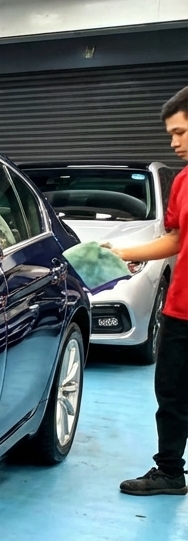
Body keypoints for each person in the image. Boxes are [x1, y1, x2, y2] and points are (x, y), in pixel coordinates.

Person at [110, 86, 188, 496]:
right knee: (171, 395)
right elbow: (176, 239)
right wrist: (124, 251)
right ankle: (170, 473)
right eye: (170, 134)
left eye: (180, 132)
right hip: (180, 310)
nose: (173, 143)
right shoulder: (182, 182)